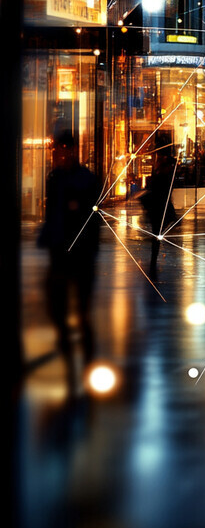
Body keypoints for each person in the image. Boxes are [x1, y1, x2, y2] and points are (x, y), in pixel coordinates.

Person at [37, 131, 101, 395]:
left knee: (80, 312)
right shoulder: (56, 178)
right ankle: (73, 366)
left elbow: (89, 219)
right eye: (58, 149)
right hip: (61, 253)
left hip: (78, 254)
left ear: (74, 150)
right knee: (59, 310)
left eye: (65, 149)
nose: (61, 154)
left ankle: (82, 368)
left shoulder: (83, 180)